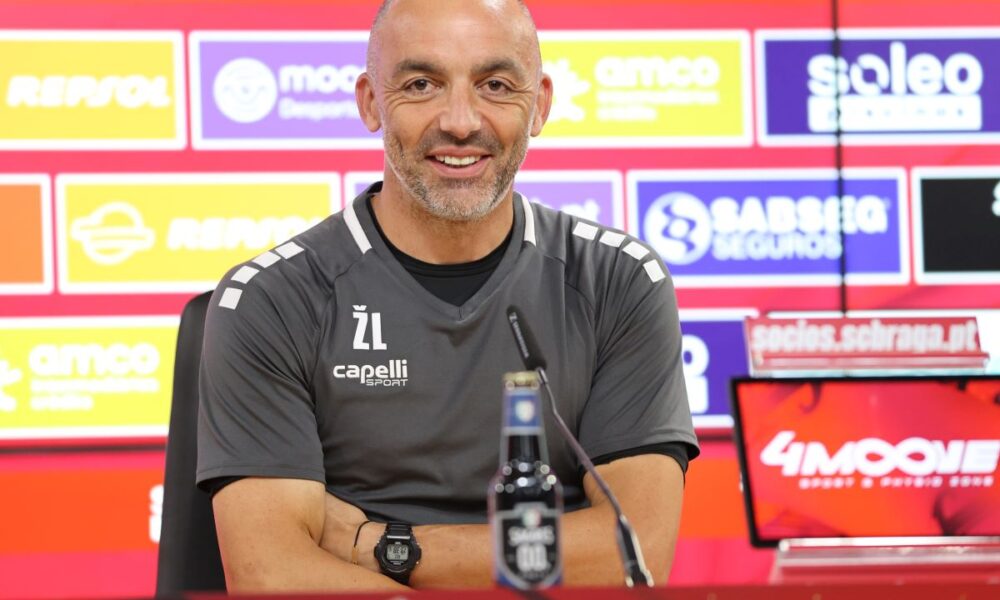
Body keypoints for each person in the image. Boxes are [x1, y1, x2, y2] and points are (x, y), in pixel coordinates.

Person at [196, 0, 699, 592]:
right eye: (421, 84)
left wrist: (381, 545)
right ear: (370, 103)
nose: (461, 121)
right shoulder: (270, 299)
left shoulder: (618, 279)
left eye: (495, 85)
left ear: (539, 105)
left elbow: (635, 554)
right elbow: (271, 576)